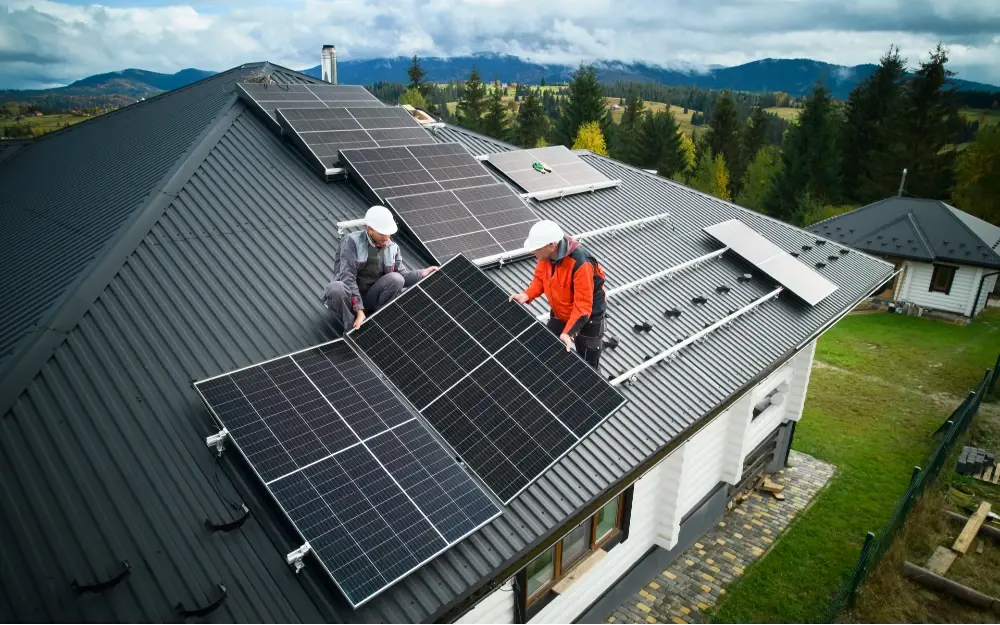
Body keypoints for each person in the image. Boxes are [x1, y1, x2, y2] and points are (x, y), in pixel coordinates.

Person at [509, 220, 608, 370]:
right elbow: (540, 279)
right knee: (550, 349)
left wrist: (568, 333)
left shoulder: (581, 263)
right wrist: (527, 295)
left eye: (536, 248)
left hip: (588, 319)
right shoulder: (546, 257)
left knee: (588, 366)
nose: (532, 252)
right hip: (561, 312)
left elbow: (582, 306)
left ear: (552, 245)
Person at [323, 205, 436, 334]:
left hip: (370, 297)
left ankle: (376, 320)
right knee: (335, 288)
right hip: (348, 299)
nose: (387, 237)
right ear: (369, 229)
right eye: (382, 233)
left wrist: (422, 273)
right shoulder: (351, 242)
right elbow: (347, 277)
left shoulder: (393, 248)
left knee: (396, 279)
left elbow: (402, 276)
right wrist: (359, 310)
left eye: (388, 233)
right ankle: (352, 329)